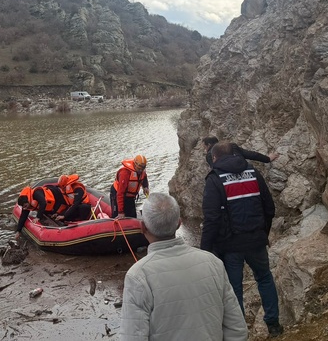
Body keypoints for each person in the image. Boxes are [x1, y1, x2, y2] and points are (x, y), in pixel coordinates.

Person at [120, 192, 248, 341]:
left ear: (142, 227)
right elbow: (237, 330)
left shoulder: (137, 277)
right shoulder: (213, 263)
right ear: (179, 223)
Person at [201, 142, 283, 337]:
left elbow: (211, 219)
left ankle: (239, 334)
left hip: (230, 246)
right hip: (256, 240)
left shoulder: (214, 180)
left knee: (234, 290)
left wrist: (205, 251)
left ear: (214, 158)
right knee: (264, 278)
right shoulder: (253, 173)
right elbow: (269, 208)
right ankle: (274, 326)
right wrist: (263, 233)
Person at [202, 136, 280, 168]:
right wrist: (267, 159)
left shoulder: (210, 155)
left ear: (209, 145)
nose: (204, 150)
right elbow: (250, 154)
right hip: (245, 174)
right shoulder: (231, 145)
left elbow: (216, 171)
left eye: (204, 147)